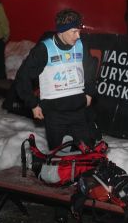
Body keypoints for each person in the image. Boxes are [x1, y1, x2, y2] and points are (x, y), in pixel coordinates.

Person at [15, 8, 96, 151]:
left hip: (79, 111)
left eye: (79, 31)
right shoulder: (44, 49)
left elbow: (90, 69)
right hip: (55, 114)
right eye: (74, 31)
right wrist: (33, 104)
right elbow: (23, 77)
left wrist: (89, 93)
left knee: (86, 155)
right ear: (62, 31)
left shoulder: (81, 45)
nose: (78, 36)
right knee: (60, 159)